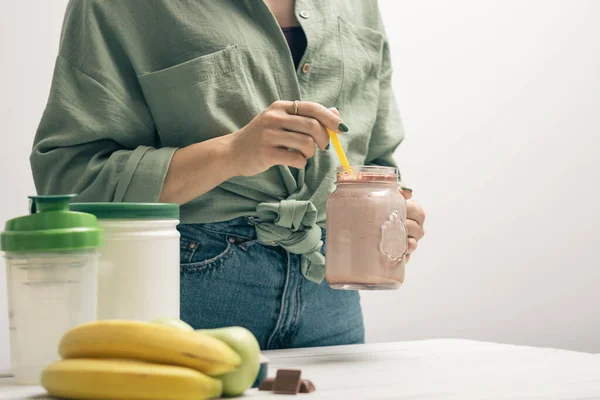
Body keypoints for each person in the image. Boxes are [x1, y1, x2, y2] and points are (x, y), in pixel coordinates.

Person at [30, 0, 426, 350]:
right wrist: (231, 153)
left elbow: (375, 157)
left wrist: (396, 211)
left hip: (330, 290)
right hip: (192, 286)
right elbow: (68, 183)